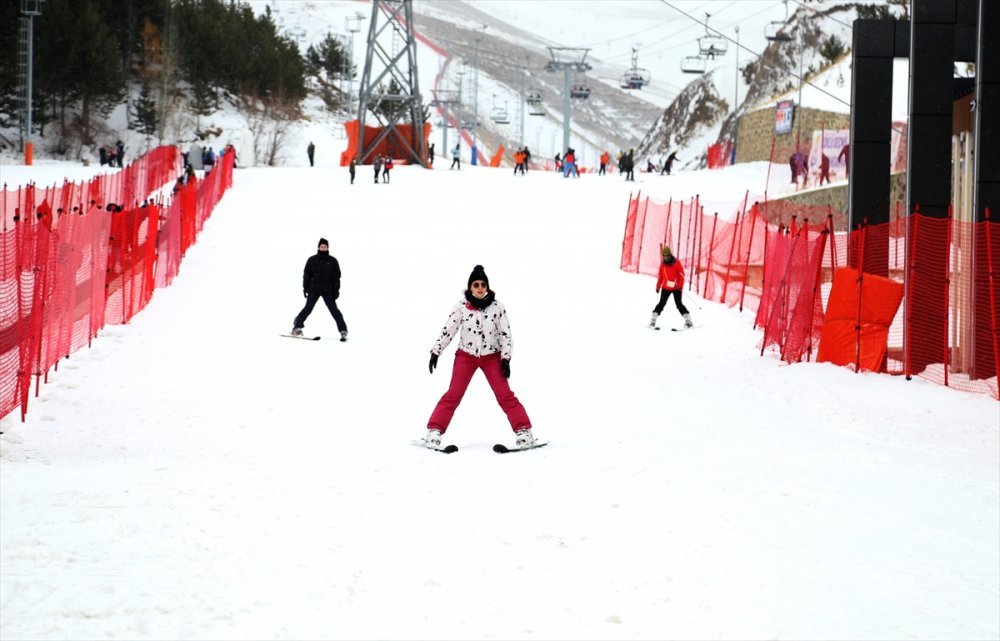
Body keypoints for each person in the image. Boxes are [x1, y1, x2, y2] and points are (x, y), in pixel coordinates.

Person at [424, 265, 536, 449]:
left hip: (492, 357)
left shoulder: (497, 307)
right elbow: (449, 330)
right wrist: (436, 351)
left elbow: (505, 334)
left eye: (483, 284)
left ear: (487, 287)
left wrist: (505, 358)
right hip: (466, 356)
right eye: (476, 284)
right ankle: (434, 431)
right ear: (470, 287)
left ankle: (524, 431)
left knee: (504, 395)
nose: (480, 288)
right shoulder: (461, 307)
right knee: (453, 394)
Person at [291, 238, 348, 342]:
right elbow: (307, 275)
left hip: (328, 290)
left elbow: (336, 277)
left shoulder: (333, 261)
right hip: (314, 289)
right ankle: (297, 327)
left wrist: (336, 290)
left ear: (328, 247)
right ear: (318, 247)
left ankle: (343, 330)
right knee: (308, 308)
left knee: (334, 310)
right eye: (321, 246)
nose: (323, 248)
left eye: (325, 246)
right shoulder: (312, 260)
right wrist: (305, 288)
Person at [649, 246, 692, 330]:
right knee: (661, 303)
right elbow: (660, 276)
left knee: (679, 304)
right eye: (664, 256)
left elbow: (681, 275)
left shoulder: (676, 263)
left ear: (670, 255)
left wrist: (680, 285)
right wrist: (658, 286)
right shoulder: (662, 265)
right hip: (666, 287)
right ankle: (653, 319)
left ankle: (688, 320)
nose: (665, 257)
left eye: (667, 256)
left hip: (676, 288)